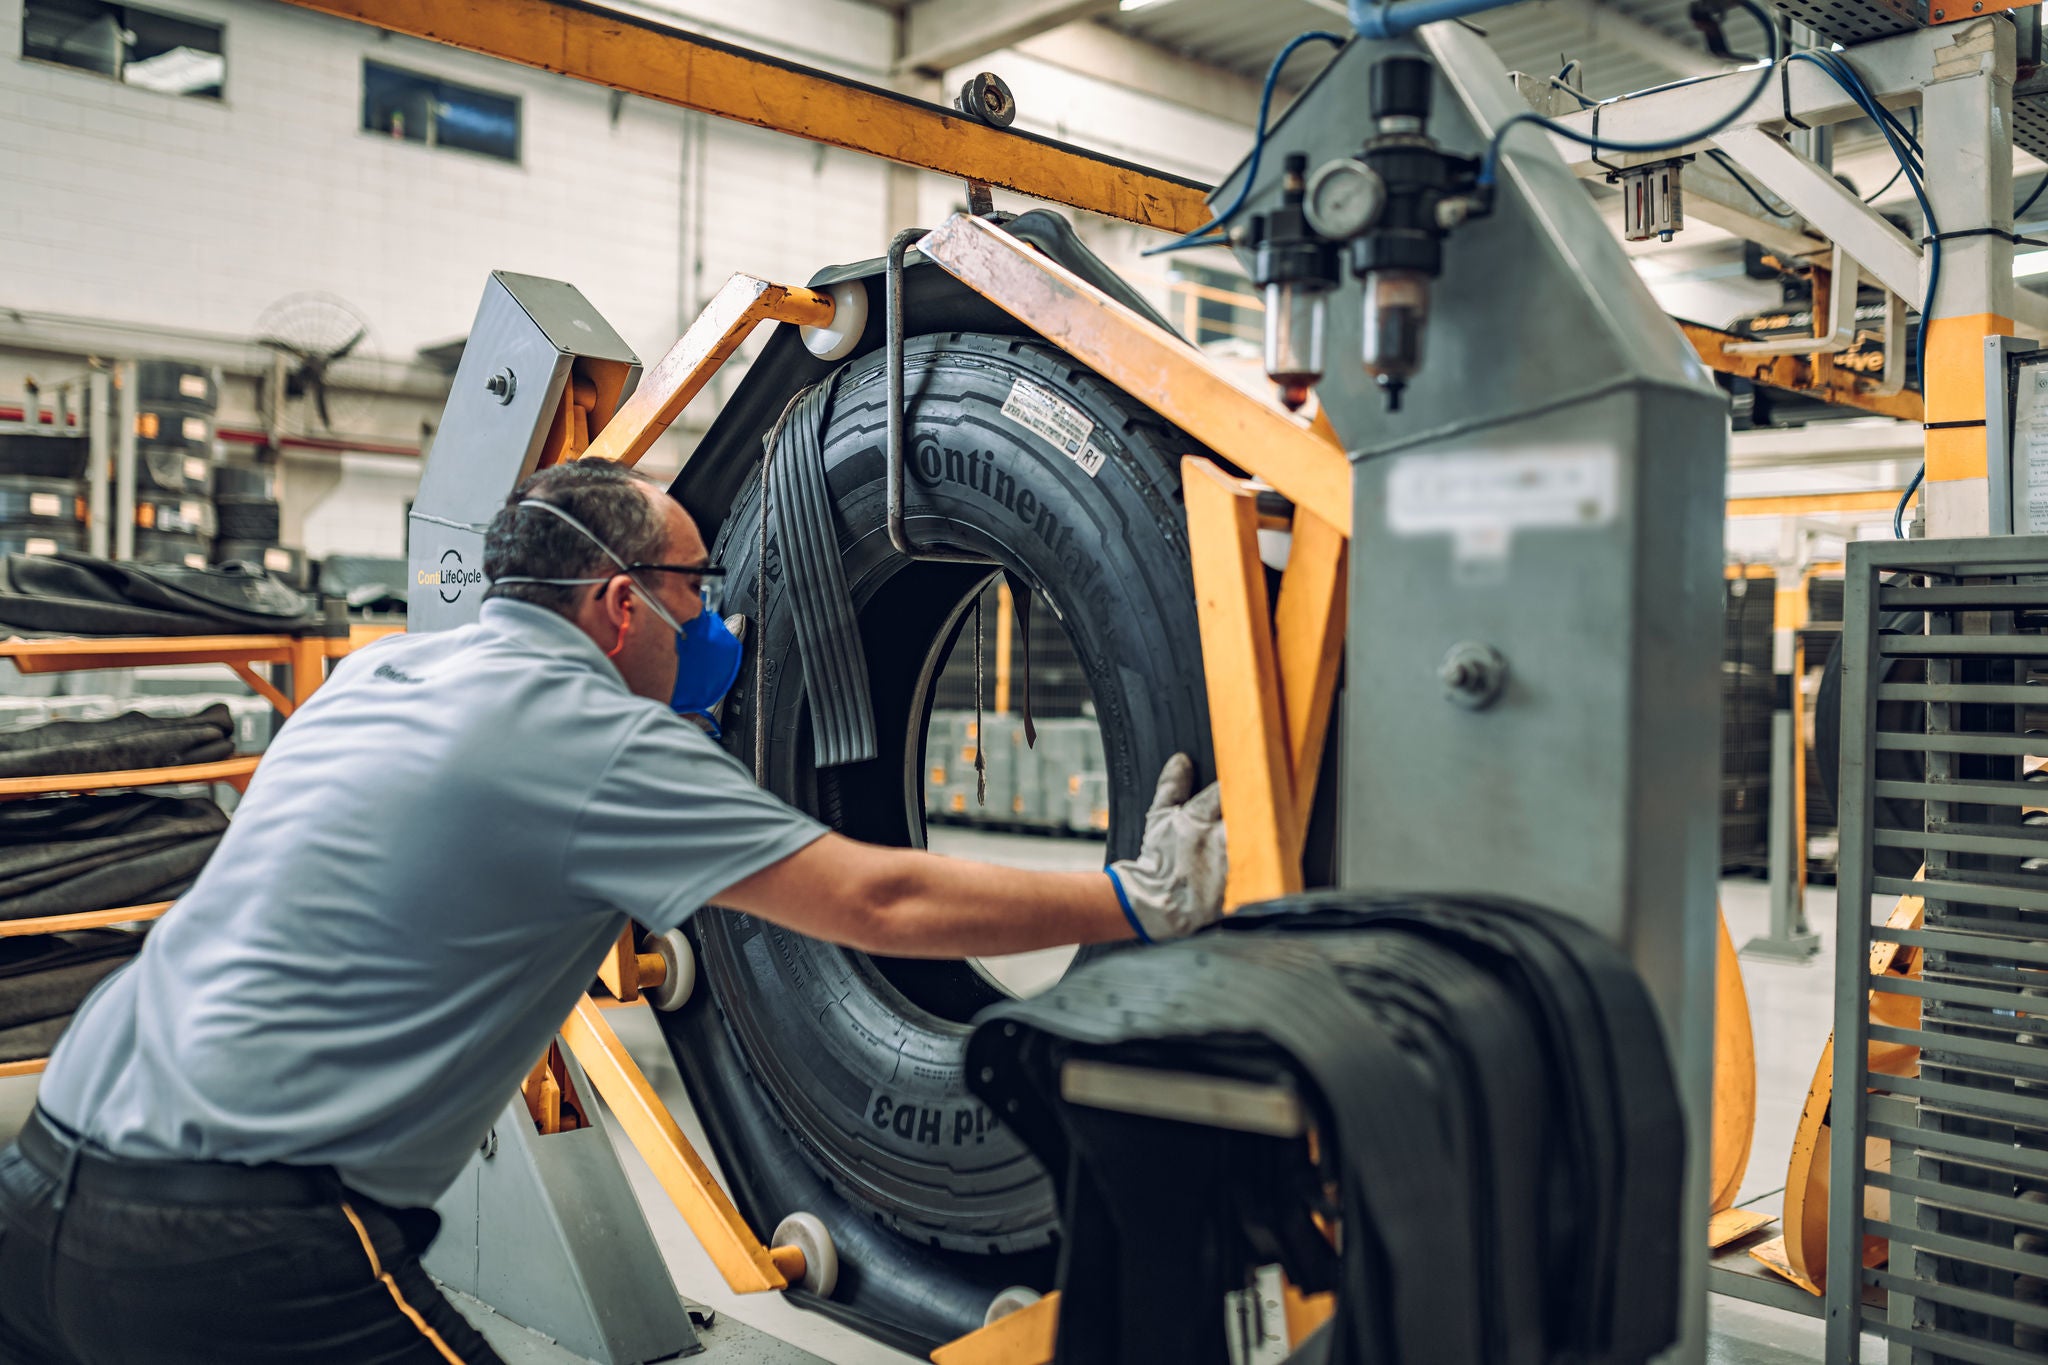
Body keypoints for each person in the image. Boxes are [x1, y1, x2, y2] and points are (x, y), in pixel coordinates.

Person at [0, 458, 1226, 1365]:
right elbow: (877, 894)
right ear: (620, 602)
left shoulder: (380, 671)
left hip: (44, 1172)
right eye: (697, 588)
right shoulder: (595, 737)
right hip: (228, 1241)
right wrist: (1135, 894)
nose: (716, 622)